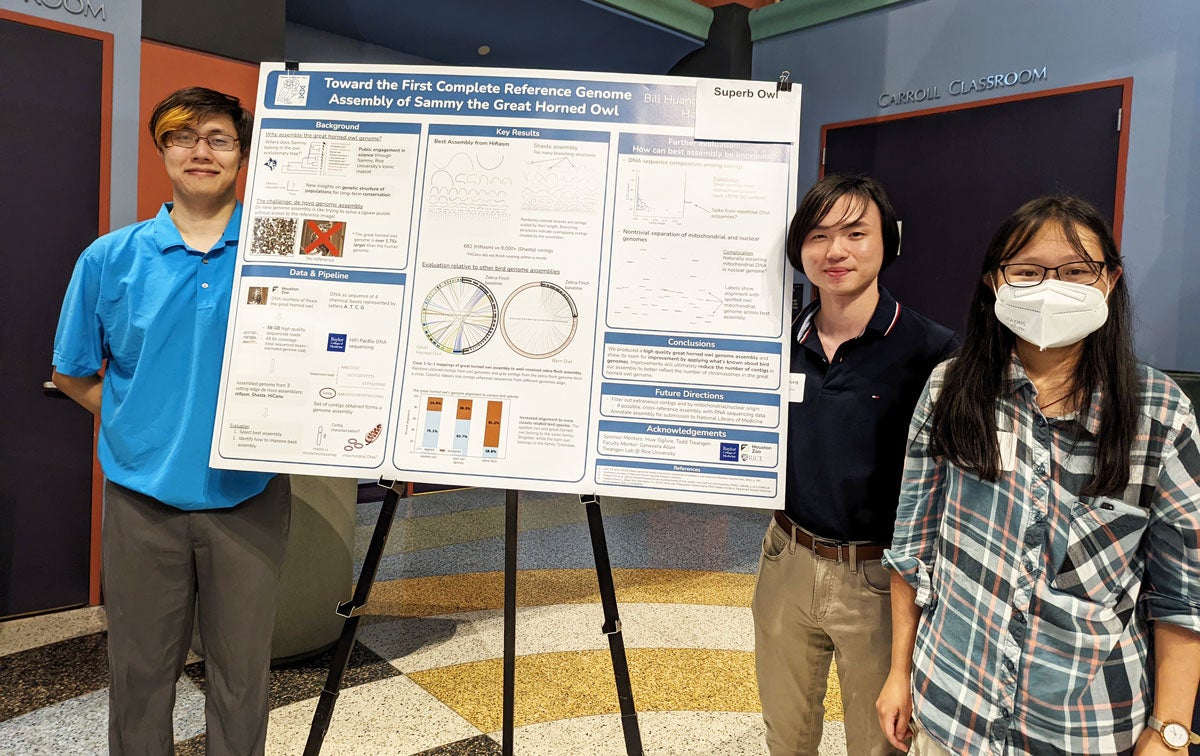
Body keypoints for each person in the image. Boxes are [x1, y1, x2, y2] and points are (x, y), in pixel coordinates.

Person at [877, 195, 1200, 755]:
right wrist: (897, 671)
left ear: (1110, 280)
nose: (1051, 288)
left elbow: (1182, 595)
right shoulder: (950, 389)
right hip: (952, 711)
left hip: (1085, 731)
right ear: (993, 284)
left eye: (1076, 271)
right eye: (1026, 272)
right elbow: (913, 544)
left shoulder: (1160, 413)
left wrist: (1168, 732)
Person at [51, 87, 290, 756]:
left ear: (242, 154)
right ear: (163, 151)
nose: (200, 151)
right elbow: (73, 373)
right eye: (183, 137)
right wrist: (132, 423)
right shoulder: (110, 259)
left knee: (243, 677)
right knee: (139, 676)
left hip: (250, 497)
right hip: (142, 503)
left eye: (218, 137)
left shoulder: (284, 256)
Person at [752, 174, 959, 755]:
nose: (835, 251)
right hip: (784, 555)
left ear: (887, 242)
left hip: (878, 578)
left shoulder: (933, 352)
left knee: (879, 743)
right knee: (785, 732)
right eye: (817, 236)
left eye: (854, 233)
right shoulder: (775, 339)